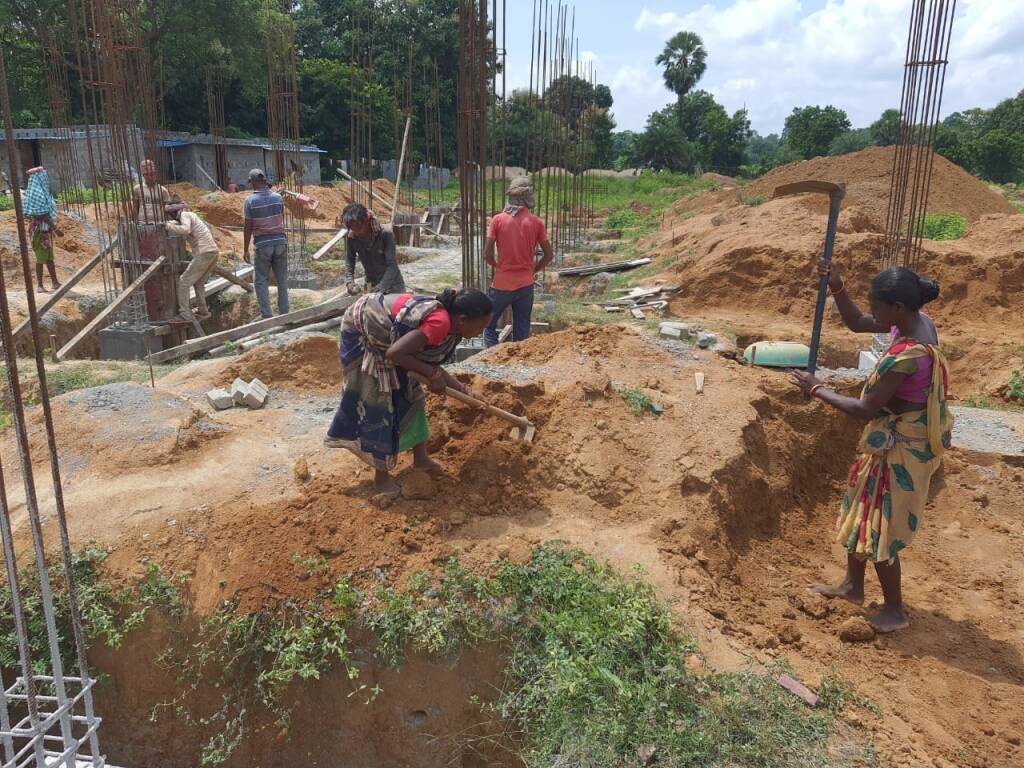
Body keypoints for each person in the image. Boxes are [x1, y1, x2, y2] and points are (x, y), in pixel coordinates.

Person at [792, 263, 952, 634]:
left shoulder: (910, 355)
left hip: (903, 447)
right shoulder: (913, 321)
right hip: (890, 438)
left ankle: (895, 610)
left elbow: (863, 410)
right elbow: (858, 323)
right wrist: (838, 288)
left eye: (878, 307)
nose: (874, 314)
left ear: (897, 306)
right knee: (862, 506)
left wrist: (817, 388)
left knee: (882, 523)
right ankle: (852, 586)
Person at [325, 288, 493, 496]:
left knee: (412, 394)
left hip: (395, 346)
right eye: (481, 326)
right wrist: (431, 374)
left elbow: (426, 363)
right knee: (384, 403)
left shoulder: (452, 326)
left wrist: (464, 389)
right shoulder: (440, 323)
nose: (481, 332)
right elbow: (395, 353)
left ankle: (421, 458)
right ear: (462, 320)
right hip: (365, 334)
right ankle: (382, 478)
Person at [482, 176, 553, 347]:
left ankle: (493, 359)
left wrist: (499, 267)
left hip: (502, 284)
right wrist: (532, 270)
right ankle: (518, 363)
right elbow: (549, 255)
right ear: (528, 196)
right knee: (522, 328)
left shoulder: (498, 220)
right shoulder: (537, 222)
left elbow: (486, 255)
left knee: (488, 325)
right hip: (526, 284)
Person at [163, 199, 220, 322]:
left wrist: (167, 225)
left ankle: (185, 314)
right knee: (198, 282)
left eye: (171, 213)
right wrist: (172, 224)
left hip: (204, 252)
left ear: (176, 212)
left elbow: (185, 230)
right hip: (212, 252)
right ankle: (203, 311)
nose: (171, 216)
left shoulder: (185, 215)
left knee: (184, 281)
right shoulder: (190, 216)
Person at [243, 169, 289, 318]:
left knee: (261, 280)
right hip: (280, 241)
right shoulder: (278, 197)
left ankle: (266, 314)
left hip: (263, 244)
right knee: (282, 278)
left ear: (255, 182)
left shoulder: (250, 201)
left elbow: (248, 226)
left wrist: (245, 250)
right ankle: (284, 312)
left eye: (251, 182)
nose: (251, 186)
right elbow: (280, 217)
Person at [342, 203, 406, 295]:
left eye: (359, 227)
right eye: (352, 227)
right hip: (371, 284)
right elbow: (350, 258)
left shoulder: (385, 234)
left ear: (366, 221)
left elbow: (392, 266)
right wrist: (349, 281)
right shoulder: (352, 236)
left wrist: (381, 287)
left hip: (393, 287)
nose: (356, 231)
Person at [24, 167, 63, 293]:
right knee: (41, 259)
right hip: (40, 231)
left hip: (45, 231)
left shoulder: (40, 191)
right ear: (38, 177)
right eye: (43, 175)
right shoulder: (37, 193)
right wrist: (55, 228)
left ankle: (55, 282)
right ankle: (40, 285)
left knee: (49, 257)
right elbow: (42, 215)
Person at [132, 159, 171, 225]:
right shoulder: (137, 189)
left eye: (152, 174)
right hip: (142, 223)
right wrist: (136, 221)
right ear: (143, 175)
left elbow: (167, 209)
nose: (150, 177)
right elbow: (135, 207)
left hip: (159, 224)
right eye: (146, 174)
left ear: (155, 173)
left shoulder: (163, 190)